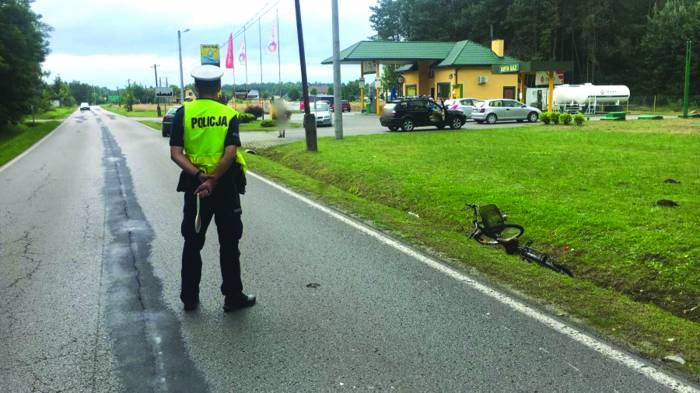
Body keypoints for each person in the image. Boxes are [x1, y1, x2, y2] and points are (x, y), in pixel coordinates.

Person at [169, 64, 255, 312]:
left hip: (195, 187)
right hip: (225, 185)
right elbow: (231, 152)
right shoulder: (228, 115)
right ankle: (232, 297)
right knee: (229, 243)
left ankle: (189, 298)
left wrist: (199, 176)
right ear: (218, 88)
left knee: (192, 242)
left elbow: (175, 153)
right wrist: (214, 179)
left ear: (195, 88)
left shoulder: (182, 113)